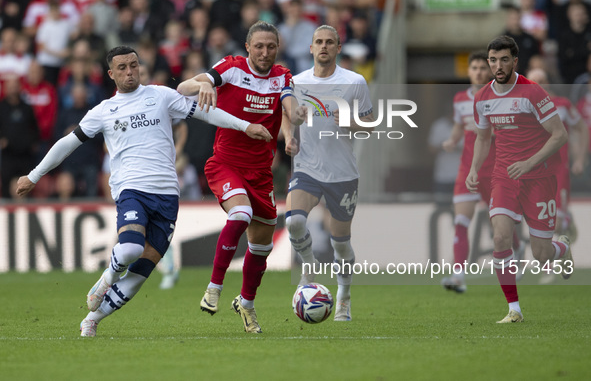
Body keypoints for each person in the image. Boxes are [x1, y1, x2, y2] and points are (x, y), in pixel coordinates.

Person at [15, 45, 272, 337]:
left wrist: (245, 125)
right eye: (122, 67)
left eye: (134, 65)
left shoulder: (160, 95)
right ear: (111, 74)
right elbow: (68, 143)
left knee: (142, 270)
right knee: (130, 249)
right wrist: (34, 175)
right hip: (131, 189)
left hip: (167, 196)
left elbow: (207, 113)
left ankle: (92, 320)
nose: (129, 72)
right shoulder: (103, 110)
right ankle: (107, 277)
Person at [176, 21, 300, 333]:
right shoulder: (231, 68)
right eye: (259, 46)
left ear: (277, 48)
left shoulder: (282, 76)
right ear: (248, 47)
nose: (265, 52)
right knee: (241, 213)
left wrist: (293, 123)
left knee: (261, 249)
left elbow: (288, 104)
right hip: (226, 164)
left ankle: (246, 303)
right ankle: (214, 287)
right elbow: (183, 88)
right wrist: (203, 83)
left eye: (271, 47)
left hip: (261, 173)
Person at [467, 35, 572, 324]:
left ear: (515, 61)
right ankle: (514, 309)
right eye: (493, 60)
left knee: (541, 255)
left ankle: (560, 247)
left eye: (503, 60)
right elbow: (483, 137)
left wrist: (529, 162)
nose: (497, 66)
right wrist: (475, 169)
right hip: (505, 175)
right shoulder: (483, 98)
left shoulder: (532, 92)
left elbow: (560, 135)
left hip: (538, 176)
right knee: (500, 237)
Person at [282, 25, 373, 322]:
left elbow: (371, 123)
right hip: (307, 167)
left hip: (342, 173)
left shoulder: (354, 81)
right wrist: (289, 136)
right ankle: (308, 268)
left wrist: (350, 121)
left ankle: (344, 295)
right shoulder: (296, 82)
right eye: (318, 42)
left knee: (340, 241)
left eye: (329, 42)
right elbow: (287, 114)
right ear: (310, 48)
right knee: (295, 221)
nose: (323, 46)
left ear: (337, 48)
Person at [526, 67, 589, 283]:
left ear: (548, 82)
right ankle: (554, 259)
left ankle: (552, 264)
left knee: (555, 221)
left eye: (541, 80)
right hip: (533, 173)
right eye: (533, 81)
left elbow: (581, 128)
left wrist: (579, 159)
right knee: (539, 222)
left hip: (558, 171)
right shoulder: (523, 108)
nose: (538, 85)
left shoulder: (562, 105)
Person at [440, 51, 495, 293]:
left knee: (500, 224)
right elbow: (458, 126)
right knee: (461, 222)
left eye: (483, 67)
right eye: (474, 67)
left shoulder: (499, 96)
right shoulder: (460, 98)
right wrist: (452, 140)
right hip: (468, 169)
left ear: (490, 71)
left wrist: (487, 129)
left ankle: (516, 252)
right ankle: (458, 276)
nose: (479, 71)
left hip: (495, 169)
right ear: (469, 71)